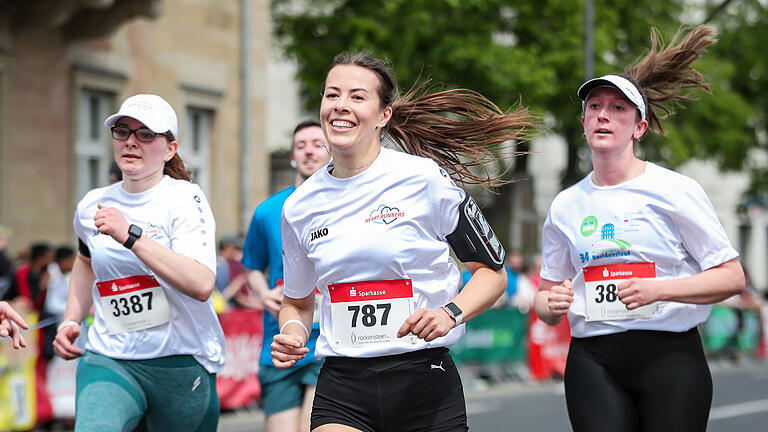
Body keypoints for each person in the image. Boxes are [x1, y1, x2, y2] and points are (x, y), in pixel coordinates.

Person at [271, 52, 537, 432]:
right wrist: (293, 333)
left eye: (357, 96)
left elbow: (492, 274)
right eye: (332, 95)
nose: (341, 106)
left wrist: (450, 312)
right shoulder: (299, 206)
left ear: (384, 115)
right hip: (343, 386)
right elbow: (296, 302)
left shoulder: (423, 179)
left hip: (422, 380)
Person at [535, 26, 745, 432]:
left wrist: (659, 289)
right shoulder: (565, 204)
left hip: (669, 356)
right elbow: (545, 300)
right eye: (595, 106)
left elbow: (731, 277)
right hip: (593, 359)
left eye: (618, 109)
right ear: (583, 123)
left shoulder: (675, 189)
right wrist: (552, 303)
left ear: (639, 128)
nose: (603, 115)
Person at [52, 94, 224, 431]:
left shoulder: (185, 199)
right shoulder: (92, 205)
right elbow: (85, 261)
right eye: (122, 131)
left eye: (146, 134)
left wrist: (130, 236)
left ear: (170, 148)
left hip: (180, 362)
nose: (131, 141)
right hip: (109, 357)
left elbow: (202, 284)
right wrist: (70, 320)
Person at [242, 120, 332, 432]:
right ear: (292, 156)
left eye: (317, 144)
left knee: (314, 425)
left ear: (331, 150)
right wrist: (263, 293)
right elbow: (252, 264)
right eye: (301, 146)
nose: (309, 151)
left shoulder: (345, 204)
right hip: (280, 341)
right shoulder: (268, 211)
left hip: (329, 340)